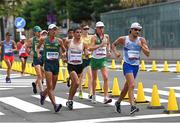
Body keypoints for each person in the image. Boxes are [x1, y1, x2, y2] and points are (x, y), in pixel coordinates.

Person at [112, 22, 150, 115]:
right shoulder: (124, 39)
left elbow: (148, 53)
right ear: (131, 30)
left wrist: (141, 46)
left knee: (127, 87)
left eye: (139, 30)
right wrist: (116, 53)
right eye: (136, 29)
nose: (137, 31)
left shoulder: (141, 40)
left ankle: (118, 102)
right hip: (127, 64)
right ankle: (132, 106)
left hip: (136, 66)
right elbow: (113, 45)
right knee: (132, 85)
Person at [37, 24, 66, 112]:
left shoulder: (59, 41)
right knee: (49, 86)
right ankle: (55, 105)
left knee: (53, 86)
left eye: (55, 30)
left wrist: (64, 55)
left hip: (56, 64)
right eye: (52, 30)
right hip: (48, 65)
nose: (54, 31)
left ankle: (43, 94)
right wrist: (38, 53)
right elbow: (38, 47)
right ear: (49, 31)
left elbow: (64, 50)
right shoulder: (43, 39)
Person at [64, 27, 89, 110]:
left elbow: (85, 51)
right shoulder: (68, 42)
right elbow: (64, 50)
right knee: (77, 83)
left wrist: (86, 54)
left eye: (80, 32)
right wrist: (64, 56)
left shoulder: (83, 43)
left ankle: (69, 100)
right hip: (71, 65)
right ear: (73, 33)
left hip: (79, 65)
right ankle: (70, 100)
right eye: (77, 32)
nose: (79, 34)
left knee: (74, 84)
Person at [89, 21, 112, 104]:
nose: (101, 29)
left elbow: (108, 44)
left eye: (102, 27)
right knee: (94, 79)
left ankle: (105, 97)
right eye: (99, 28)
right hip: (95, 59)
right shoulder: (94, 38)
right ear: (96, 29)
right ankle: (94, 95)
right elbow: (90, 48)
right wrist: (100, 45)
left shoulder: (106, 36)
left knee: (106, 77)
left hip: (103, 59)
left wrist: (108, 51)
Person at [26, 26, 44, 94]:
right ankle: (42, 91)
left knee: (43, 75)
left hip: (43, 58)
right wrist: (31, 53)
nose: (39, 33)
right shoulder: (31, 40)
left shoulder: (43, 39)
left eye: (40, 31)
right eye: (38, 31)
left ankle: (34, 84)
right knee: (39, 75)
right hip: (36, 58)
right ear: (35, 32)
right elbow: (27, 48)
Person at [78, 24, 92, 99]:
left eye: (87, 29)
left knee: (90, 75)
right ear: (82, 30)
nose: (86, 30)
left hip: (89, 58)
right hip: (81, 59)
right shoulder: (80, 38)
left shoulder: (91, 37)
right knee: (81, 76)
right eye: (85, 29)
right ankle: (80, 91)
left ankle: (90, 93)